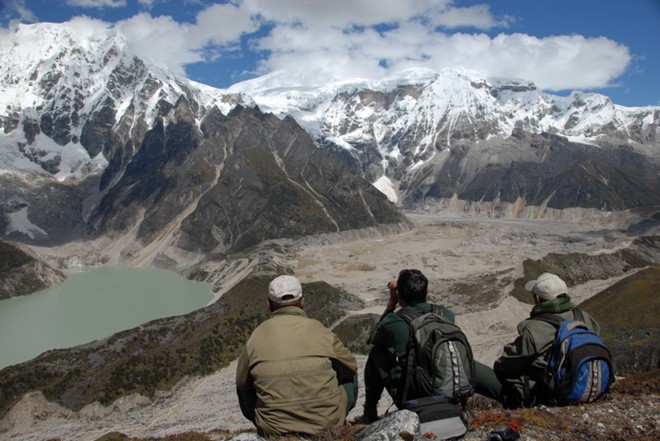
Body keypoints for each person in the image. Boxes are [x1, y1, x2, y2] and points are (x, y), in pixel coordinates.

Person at [235, 275, 358, 437]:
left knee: (244, 386)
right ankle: (338, 423)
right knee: (349, 375)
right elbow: (351, 366)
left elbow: (242, 383)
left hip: (273, 429)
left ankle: (267, 424)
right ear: (302, 302)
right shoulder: (320, 330)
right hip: (326, 425)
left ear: (269, 305)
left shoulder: (256, 336)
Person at [362, 268, 484, 422]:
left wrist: (391, 304)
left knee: (376, 353)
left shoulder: (394, 321)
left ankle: (369, 413)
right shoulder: (445, 314)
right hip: (450, 391)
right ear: (425, 291)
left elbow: (374, 338)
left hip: (418, 398)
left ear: (400, 294)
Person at [475, 272, 602, 408]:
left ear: (537, 299)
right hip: (587, 386)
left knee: (474, 368)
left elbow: (505, 366)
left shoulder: (535, 328)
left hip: (546, 395)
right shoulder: (584, 317)